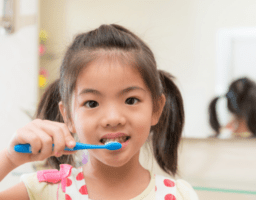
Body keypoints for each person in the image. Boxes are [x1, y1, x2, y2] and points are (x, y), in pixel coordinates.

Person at [0, 24, 199, 200]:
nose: (113, 118)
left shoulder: (179, 195)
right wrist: (9, 159)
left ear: (156, 109)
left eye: (131, 100)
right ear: (68, 115)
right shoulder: (46, 191)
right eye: (92, 103)